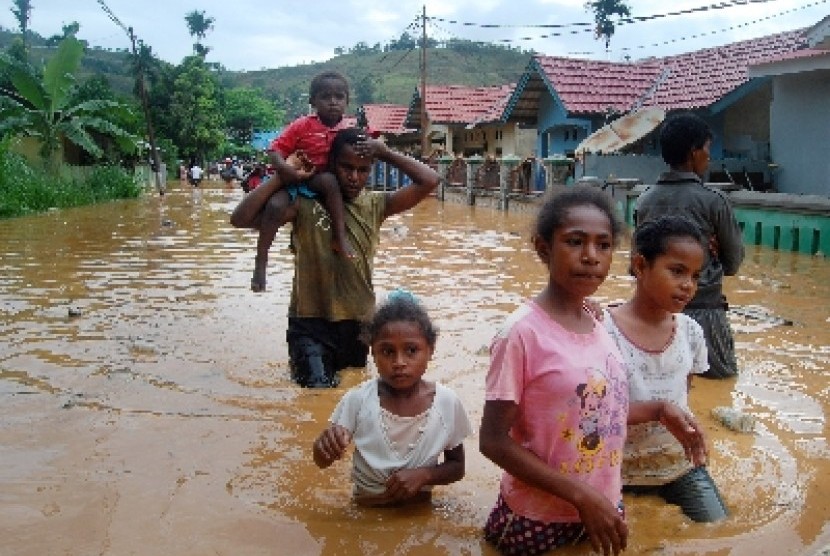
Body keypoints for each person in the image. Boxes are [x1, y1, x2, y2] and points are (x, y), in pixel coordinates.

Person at [479, 186, 707, 556]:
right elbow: (492, 441)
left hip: (602, 506)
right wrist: (580, 495)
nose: (591, 257)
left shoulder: (597, 323)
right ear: (543, 248)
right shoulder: (520, 334)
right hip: (538, 517)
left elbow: (598, 413)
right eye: (575, 242)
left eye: (603, 245)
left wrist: (662, 410)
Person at [230, 127, 440, 388]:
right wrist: (283, 176)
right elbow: (241, 219)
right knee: (317, 394)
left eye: (362, 170)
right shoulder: (304, 204)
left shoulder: (376, 205)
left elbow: (430, 180)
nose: (353, 177)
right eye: (346, 167)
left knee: (350, 396)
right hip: (309, 323)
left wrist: (385, 153)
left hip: (357, 324)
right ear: (331, 164)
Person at [604, 215, 729, 523]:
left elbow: (682, 397)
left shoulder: (690, 332)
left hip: (676, 464)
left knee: (718, 529)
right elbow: (591, 414)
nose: (688, 286)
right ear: (640, 266)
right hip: (610, 468)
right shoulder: (601, 331)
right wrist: (658, 410)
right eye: (676, 271)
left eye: (695, 276)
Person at [312, 290, 472, 506]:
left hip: (418, 513)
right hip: (366, 514)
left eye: (411, 350)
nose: (399, 362)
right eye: (387, 352)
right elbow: (321, 462)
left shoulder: (446, 402)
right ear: (373, 353)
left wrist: (424, 475)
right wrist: (324, 447)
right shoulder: (358, 400)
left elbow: (457, 467)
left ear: (430, 351)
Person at [634, 112, 745, 379]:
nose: (709, 156)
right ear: (694, 153)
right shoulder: (714, 201)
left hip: (655, 314)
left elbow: (636, 265)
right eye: (707, 149)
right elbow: (733, 263)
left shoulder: (644, 201)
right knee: (720, 387)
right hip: (705, 313)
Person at [248, 70, 355, 293]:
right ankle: (261, 260)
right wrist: (284, 167)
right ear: (313, 101)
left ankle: (339, 238)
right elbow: (276, 149)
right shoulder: (302, 125)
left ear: (347, 101)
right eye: (325, 97)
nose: (333, 102)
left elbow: (363, 148)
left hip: (325, 181)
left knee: (329, 182)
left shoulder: (349, 129)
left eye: (339, 97)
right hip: (297, 178)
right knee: (275, 206)